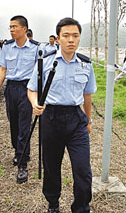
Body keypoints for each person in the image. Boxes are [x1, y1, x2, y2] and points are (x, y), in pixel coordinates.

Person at [27, 17, 96, 213]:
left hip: (76, 120)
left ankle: (82, 207)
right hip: (51, 119)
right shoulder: (45, 62)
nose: (71, 40)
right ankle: (53, 203)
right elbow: (31, 89)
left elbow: (87, 95)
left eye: (75, 35)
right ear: (58, 38)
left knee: (83, 170)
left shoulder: (85, 64)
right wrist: (35, 104)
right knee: (51, 167)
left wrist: (88, 120)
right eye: (66, 36)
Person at [0, 15, 40, 184]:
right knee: (13, 124)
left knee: (24, 126)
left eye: (14, 27)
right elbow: (2, 70)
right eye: (10, 27)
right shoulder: (7, 47)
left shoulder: (35, 48)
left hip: (27, 89)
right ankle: (18, 150)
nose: (11, 30)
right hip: (11, 89)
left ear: (24, 29)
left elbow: (39, 73)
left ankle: (23, 162)